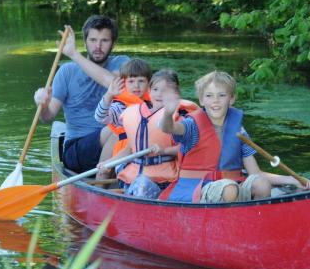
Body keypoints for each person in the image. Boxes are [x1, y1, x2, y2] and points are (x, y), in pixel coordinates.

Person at [159, 71, 310, 203]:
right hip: (195, 190)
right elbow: (169, 127)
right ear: (201, 100)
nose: (215, 101)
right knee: (229, 188)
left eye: (221, 95)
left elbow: (255, 173)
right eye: (209, 96)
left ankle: (252, 224)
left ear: (231, 99)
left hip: (232, 188)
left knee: (262, 184)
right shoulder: (192, 125)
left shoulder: (239, 130)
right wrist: (168, 112)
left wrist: (292, 180)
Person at [34, 15, 129, 173]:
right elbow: (47, 117)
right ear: (84, 42)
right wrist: (43, 105)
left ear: (113, 44)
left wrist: (74, 55)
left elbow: (111, 82)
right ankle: (102, 180)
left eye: (104, 41)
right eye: (92, 40)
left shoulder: (123, 64)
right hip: (77, 149)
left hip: (118, 146)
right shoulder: (67, 71)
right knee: (117, 130)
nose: (98, 46)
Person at [100, 69, 198, 197]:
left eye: (166, 91)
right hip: (134, 177)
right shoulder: (137, 114)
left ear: (175, 93)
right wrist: (110, 162)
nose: (159, 94)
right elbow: (129, 150)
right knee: (139, 184)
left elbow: (187, 149)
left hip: (165, 180)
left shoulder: (181, 118)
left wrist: (164, 151)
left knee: (142, 185)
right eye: (155, 89)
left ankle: (140, 199)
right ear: (149, 92)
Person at [94, 58, 152, 158]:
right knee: (103, 173)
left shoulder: (154, 103)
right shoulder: (119, 107)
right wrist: (108, 95)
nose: (136, 86)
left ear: (148, 83)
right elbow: (100, 117)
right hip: (122, 155)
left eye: (141, 81)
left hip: (148, 150)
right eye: (131, 81)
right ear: (124, 83)